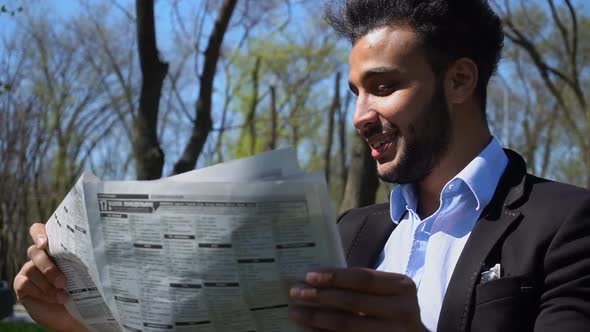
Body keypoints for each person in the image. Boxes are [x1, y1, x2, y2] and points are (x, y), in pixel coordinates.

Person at [13, 0, 590, 331]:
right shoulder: (348, 232)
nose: (361, 116)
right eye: (354, 92)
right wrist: (79, 319)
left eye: (383, 87)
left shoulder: (565, 223)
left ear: (461, 79)